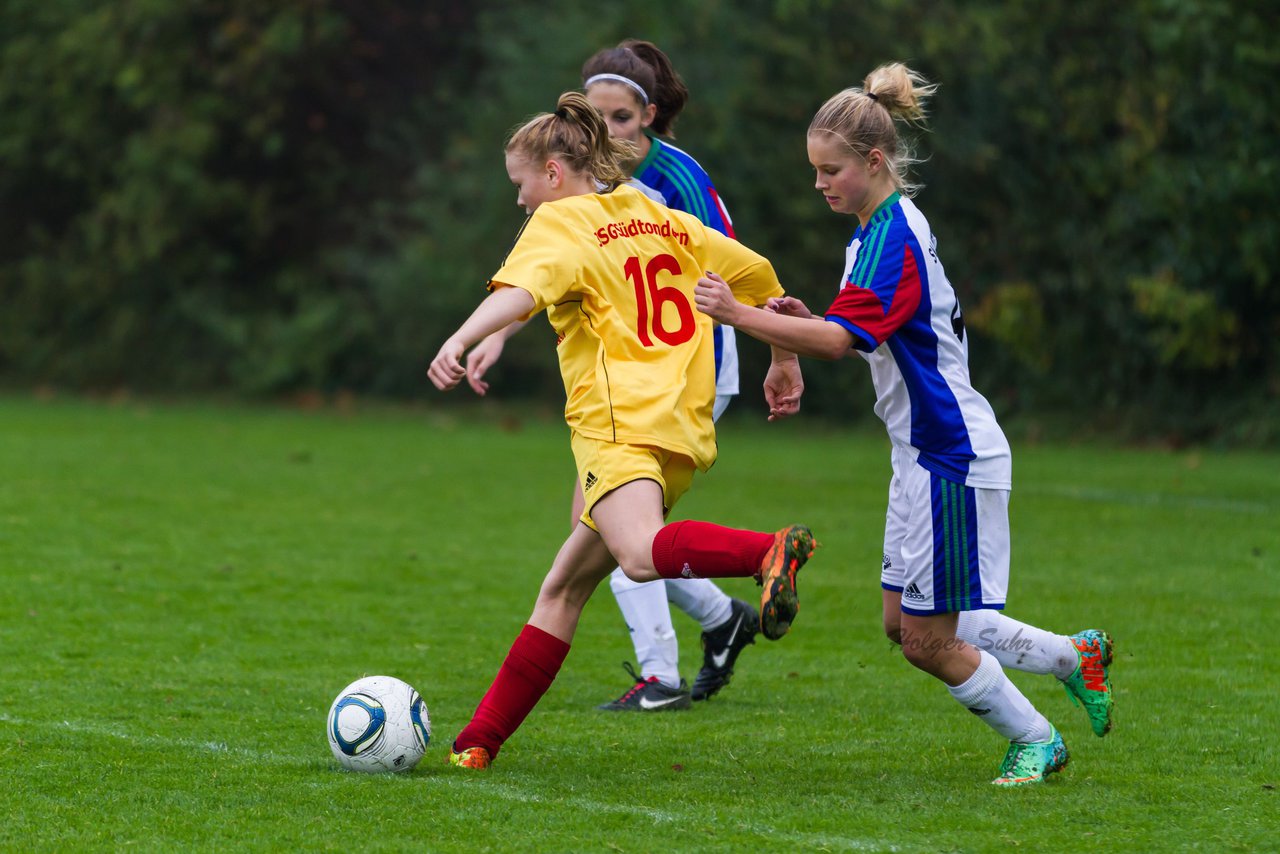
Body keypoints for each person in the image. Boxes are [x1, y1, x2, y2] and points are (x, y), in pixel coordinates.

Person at [693, 63, 1114, 787]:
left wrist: (739, 314)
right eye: (814, 170)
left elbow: (843, 342)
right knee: (904, 625)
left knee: (925, 638)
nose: (820, 183)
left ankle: (1037, 740)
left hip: (949, 455)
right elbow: (851, 329)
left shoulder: (892, 238)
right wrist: (797, 323)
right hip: (918, 456)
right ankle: (1074, 657)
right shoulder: (871, 233)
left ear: (875, 162)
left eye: (832, 170)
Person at [428, 91, 819, 770]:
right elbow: (757, 275)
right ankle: (479, 742)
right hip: (681, 429)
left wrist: (459, 339)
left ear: (553, 173)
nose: (520, 203)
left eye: (520, 185)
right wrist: (783, 356)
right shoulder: (653, 214)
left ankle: (768, 550)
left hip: (619, 427)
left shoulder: (561, 224)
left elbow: (516, 294)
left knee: (638, 557)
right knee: (564, 587)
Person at [464, 39, 761, 712]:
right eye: (595, 118)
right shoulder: (597, 195)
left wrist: (776, 350)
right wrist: (497, 334)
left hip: (681, 373)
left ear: (648, 115)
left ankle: (662, 674)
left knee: (615, 533)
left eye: (621, 117)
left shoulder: (672, 181)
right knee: (599, 529)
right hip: (631, 377)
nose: (608, 130)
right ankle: (722, 619)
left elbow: (727, 272)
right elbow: (556, 278)